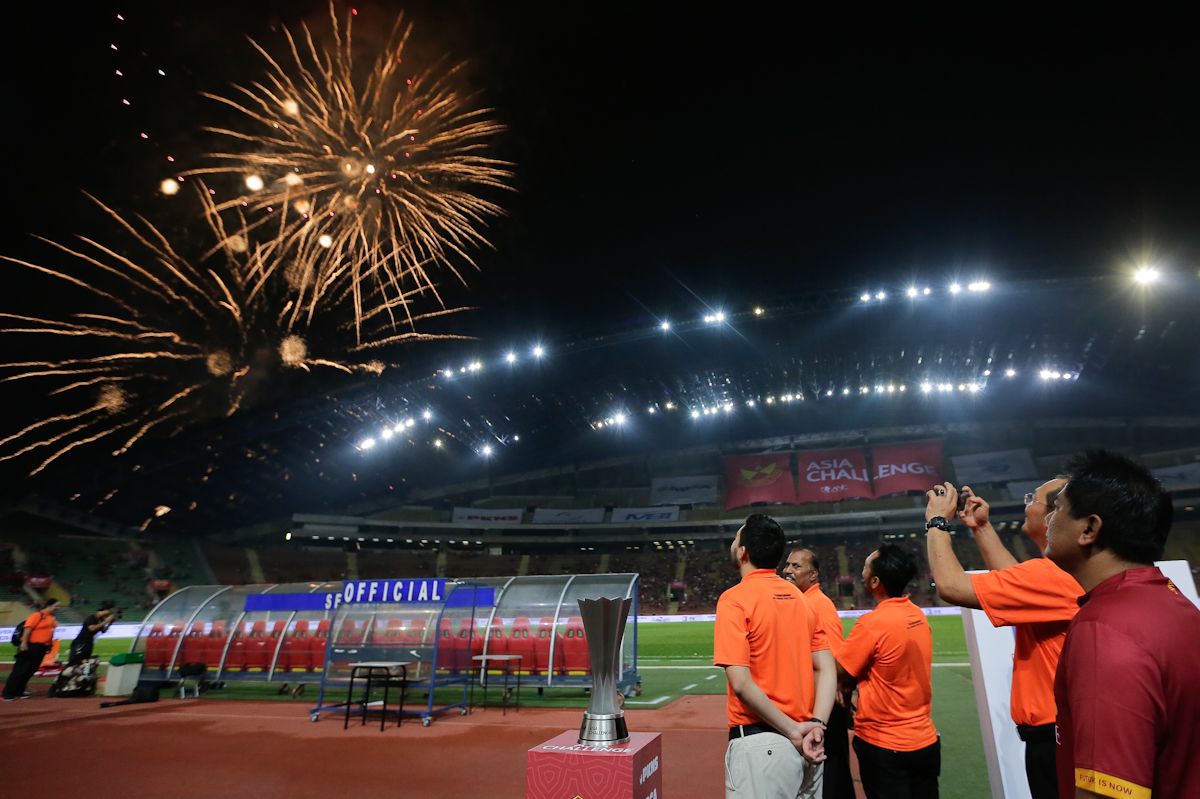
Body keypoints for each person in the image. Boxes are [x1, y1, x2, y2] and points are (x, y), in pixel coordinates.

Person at [1045, 449, 1200, 799]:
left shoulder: (1104, 628)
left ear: (1089, 528)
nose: (1049, 519)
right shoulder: (1178, 604)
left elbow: (1110, 791)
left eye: (1057, 509)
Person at [923, 478, 1080, 799]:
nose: (1027, 505)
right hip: (1060, 732)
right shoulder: (1059, 574)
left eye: (1032, 499)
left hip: (1056, 737)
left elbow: (951, 586)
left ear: (1055, 514)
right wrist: (981, 529)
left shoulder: (1055, 576)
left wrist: (936, 522)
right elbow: (1016, 581)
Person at [715, 514, 837, 799]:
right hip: (810, 744)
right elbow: (826, 669)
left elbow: (742, 683)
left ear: (742, 551)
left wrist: (793, 731)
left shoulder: (734, 599)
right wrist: (817, 725)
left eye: (736, 539)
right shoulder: (803, 600)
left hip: (762, 745)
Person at [836, 544, 939, 799]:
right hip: (924, 740)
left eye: (866, 565)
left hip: (885, 744)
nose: (861, 570)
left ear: (874, 581)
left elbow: (841, 672)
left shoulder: (873, 624)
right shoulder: (917, 614)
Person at [782, 547, 854, 799]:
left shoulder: (818, 605)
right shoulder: (806, 602)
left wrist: (833, 690)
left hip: (823, 709)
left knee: (832, 775)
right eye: (787, 565)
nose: (787, 570)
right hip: (819, 707)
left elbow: (834, 656)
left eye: (796, 566)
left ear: (813, 575)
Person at [3, 597, 59, 701]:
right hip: (30, 646)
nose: (57, 608)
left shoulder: (50, 618)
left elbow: (50, 632)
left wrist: (49, 644)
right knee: (20, 670)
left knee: (29, 671)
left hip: (41, 648)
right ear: (49, 606)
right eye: (56, 606)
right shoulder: (37, 615)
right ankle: (8, 693)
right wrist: (24, 643)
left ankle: (19, 691)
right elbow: (27, 628)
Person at [68, 601, 119, 665]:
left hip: (89, 642)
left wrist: (111, 623)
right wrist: (106, 621)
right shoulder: (92, 617)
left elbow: (103, 630)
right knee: (77, 661)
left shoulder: (100, 620)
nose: (107, 616)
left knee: (85, 662)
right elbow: (92, 628)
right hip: (81, 642)